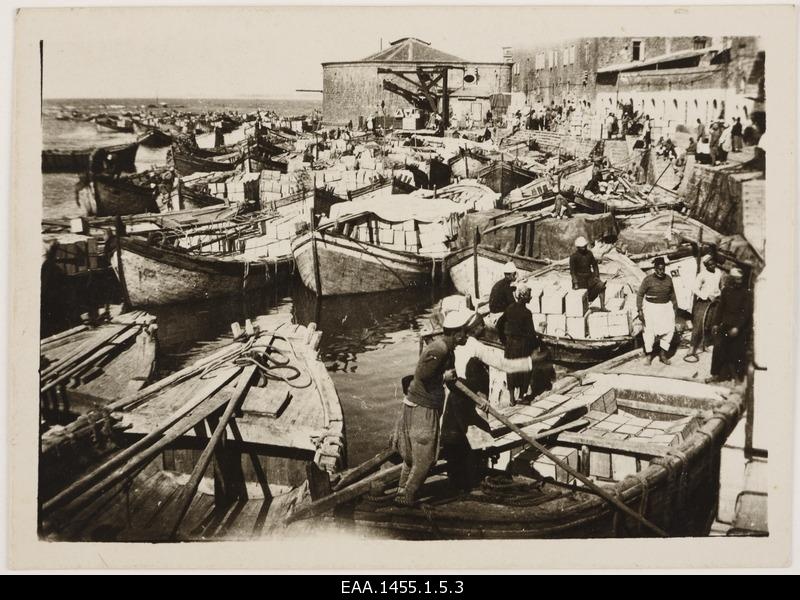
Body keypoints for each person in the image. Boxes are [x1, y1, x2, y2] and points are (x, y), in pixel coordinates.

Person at [393, 310, 540, 505]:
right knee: (426, 458)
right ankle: (406, 497)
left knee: (416, 456)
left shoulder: (449, 351)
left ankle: (402, 491)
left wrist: (478, 398)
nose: (467, 334)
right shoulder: (439, 349)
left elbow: (452, 383)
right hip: (423, 407)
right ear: (456, 333)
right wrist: (443, 378)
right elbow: (421, 376)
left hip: (430, 405)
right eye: (464, 331)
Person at [708, 267, 753, 383]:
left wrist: (737, 327)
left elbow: (746, 314)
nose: (739, 281)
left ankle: (737, 378)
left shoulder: (746, 293)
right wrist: (715, 324)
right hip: (726, 325)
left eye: (740, 279)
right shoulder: (726, 291)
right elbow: (720, 309)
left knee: (736, 352)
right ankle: (716, 374)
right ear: (731, 279)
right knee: (718, 348)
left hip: (739, 328)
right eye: (736, 279)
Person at [500, 284, 540, 405]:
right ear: (524, 297)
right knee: (525, 370)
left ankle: (512, 398)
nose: (530, 298)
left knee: (511, 370)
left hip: (510, 345)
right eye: (529, 295)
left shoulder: (509, 308)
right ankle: (522, 397)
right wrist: (535, 346)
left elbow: (499, 325)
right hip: (522, 346)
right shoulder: (527, 313)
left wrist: (503, 340)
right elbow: (531, 333)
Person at [637, 256, 677, 365]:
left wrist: (675, 307)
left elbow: (672, 294)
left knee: (669, 330)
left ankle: (663, 355)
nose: (661, 271)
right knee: (649, 332)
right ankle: (649, 355)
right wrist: (640, 310)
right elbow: (640, 294)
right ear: (654, 268)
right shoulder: (648, 280)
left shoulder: (668, 279)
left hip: (665, 307)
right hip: (651, 308)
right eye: (659, 269)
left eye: (663, 269)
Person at [684, 255, 723, 361]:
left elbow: (719, 286)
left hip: (715, 301)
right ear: (705, 265)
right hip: (703, 302)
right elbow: (694, 288)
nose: (712, 265)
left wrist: (717, 294)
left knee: (711, 323)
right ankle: (692, 348)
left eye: (713, 263)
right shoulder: (702, 275)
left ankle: (706, 344)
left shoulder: (718, 272)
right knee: (698, 324)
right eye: (709, 264)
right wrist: (706, 296)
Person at [569, 236, 606, 310]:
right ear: (578, 247)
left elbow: (595, 265)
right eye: (582, 247)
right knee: (583, 296)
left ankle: (602, 307)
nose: (584, 248)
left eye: (585, 246)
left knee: (602, 286)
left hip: (590, 278)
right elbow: (572, 271)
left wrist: (597, 276)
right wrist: (575, 283)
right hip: (580, 281)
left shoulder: (589, 254)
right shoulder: (573, 257)